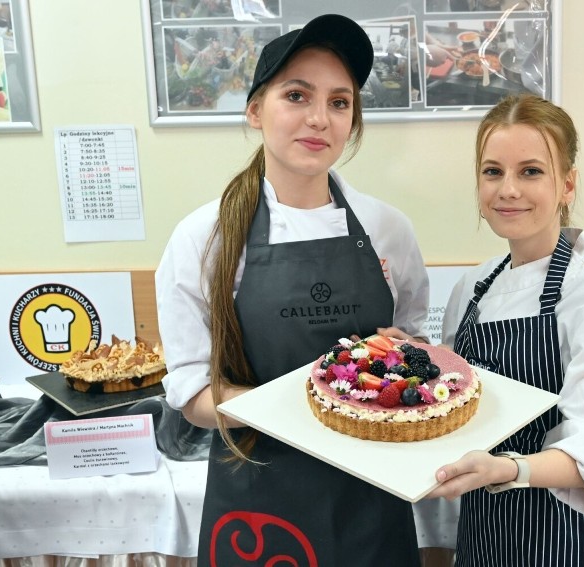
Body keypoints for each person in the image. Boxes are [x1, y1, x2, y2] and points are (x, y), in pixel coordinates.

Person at [155, 14, 429, 566]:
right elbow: (192, 395)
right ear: (255, 110)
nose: (319, 119)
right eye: (297, 95)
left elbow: (415, 345)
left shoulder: (388, 229)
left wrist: (409, 360)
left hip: (372, 490)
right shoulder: (202, 238)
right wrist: (312, 404)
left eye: (339, 102)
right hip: (259, 499)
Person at [393, 94, 584, 565]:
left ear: (567, 185)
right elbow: (455, 396)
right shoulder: (472, 287)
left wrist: (508, 468)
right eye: (493, 172)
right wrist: (407, 358)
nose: (508, 189)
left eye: (530, 171)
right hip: (484, 535)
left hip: (565, 540)